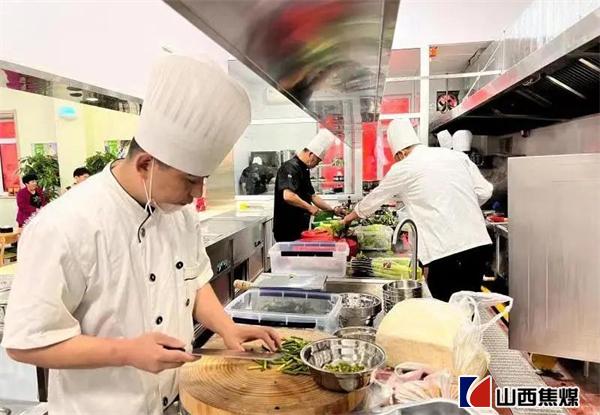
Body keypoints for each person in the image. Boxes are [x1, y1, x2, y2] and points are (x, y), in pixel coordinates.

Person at [2, 55, 280, 414]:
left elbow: (194, 282)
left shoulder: (178, 214)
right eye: (190, 180)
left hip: (176, 400)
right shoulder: (65, 225)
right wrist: (127, 351)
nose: (197, 193)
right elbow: (25, 343)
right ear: (146, 164)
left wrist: (228, 328)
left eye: (202, 180)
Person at [342, 119, 493, 301]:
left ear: (401, 153)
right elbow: (486, 191)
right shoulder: (456, 156)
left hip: (446, 250)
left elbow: (375, 198)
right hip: (479, 244)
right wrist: (459, 207)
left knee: (445, 308)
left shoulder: (405, 166)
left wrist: (348, 218)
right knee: (468, 304)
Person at [273, 129, 344, 242]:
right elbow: (288, 196)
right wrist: (310, 208)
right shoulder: (289, 167)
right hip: (287, 229)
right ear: (311, 154)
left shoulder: (304, 170)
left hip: (300, 228)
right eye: (317, 161)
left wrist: (333, 209)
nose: (316, 165)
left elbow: (312, 196)